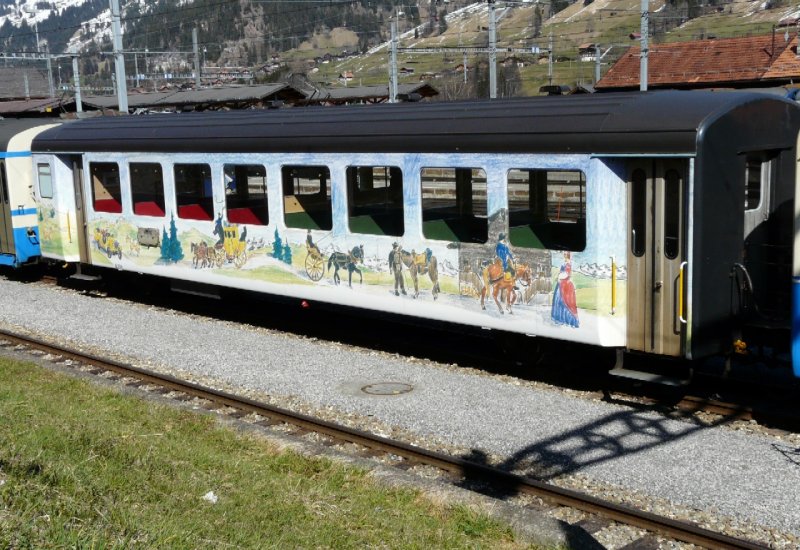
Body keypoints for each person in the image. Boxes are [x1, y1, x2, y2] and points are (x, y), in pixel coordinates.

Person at [551, 252, 579, 328]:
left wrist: (560, 277)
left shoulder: (568, 264)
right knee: (558, 301)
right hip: (560, 283)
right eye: (564, 255)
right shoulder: (564, 263)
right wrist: (558, 277)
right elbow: (561, 272)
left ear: (568, 256)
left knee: (564, 301)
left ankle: (566, 319)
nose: (565, 256)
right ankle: (560, 319)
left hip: (565, 284)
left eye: (566, 255)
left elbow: (567, 274)